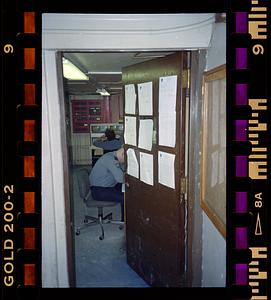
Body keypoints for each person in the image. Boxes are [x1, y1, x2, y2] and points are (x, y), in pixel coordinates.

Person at [89, 147, 125, 221]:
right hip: (99, 191)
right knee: (126, 198)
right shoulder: (111, 160)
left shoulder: (111, 155)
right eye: (125, 159)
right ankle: (125, 222)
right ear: (122, 154)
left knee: (125, 191)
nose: (124, 162)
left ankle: (125, 219)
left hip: (105, 186)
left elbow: (121, 172)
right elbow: (121, 179)